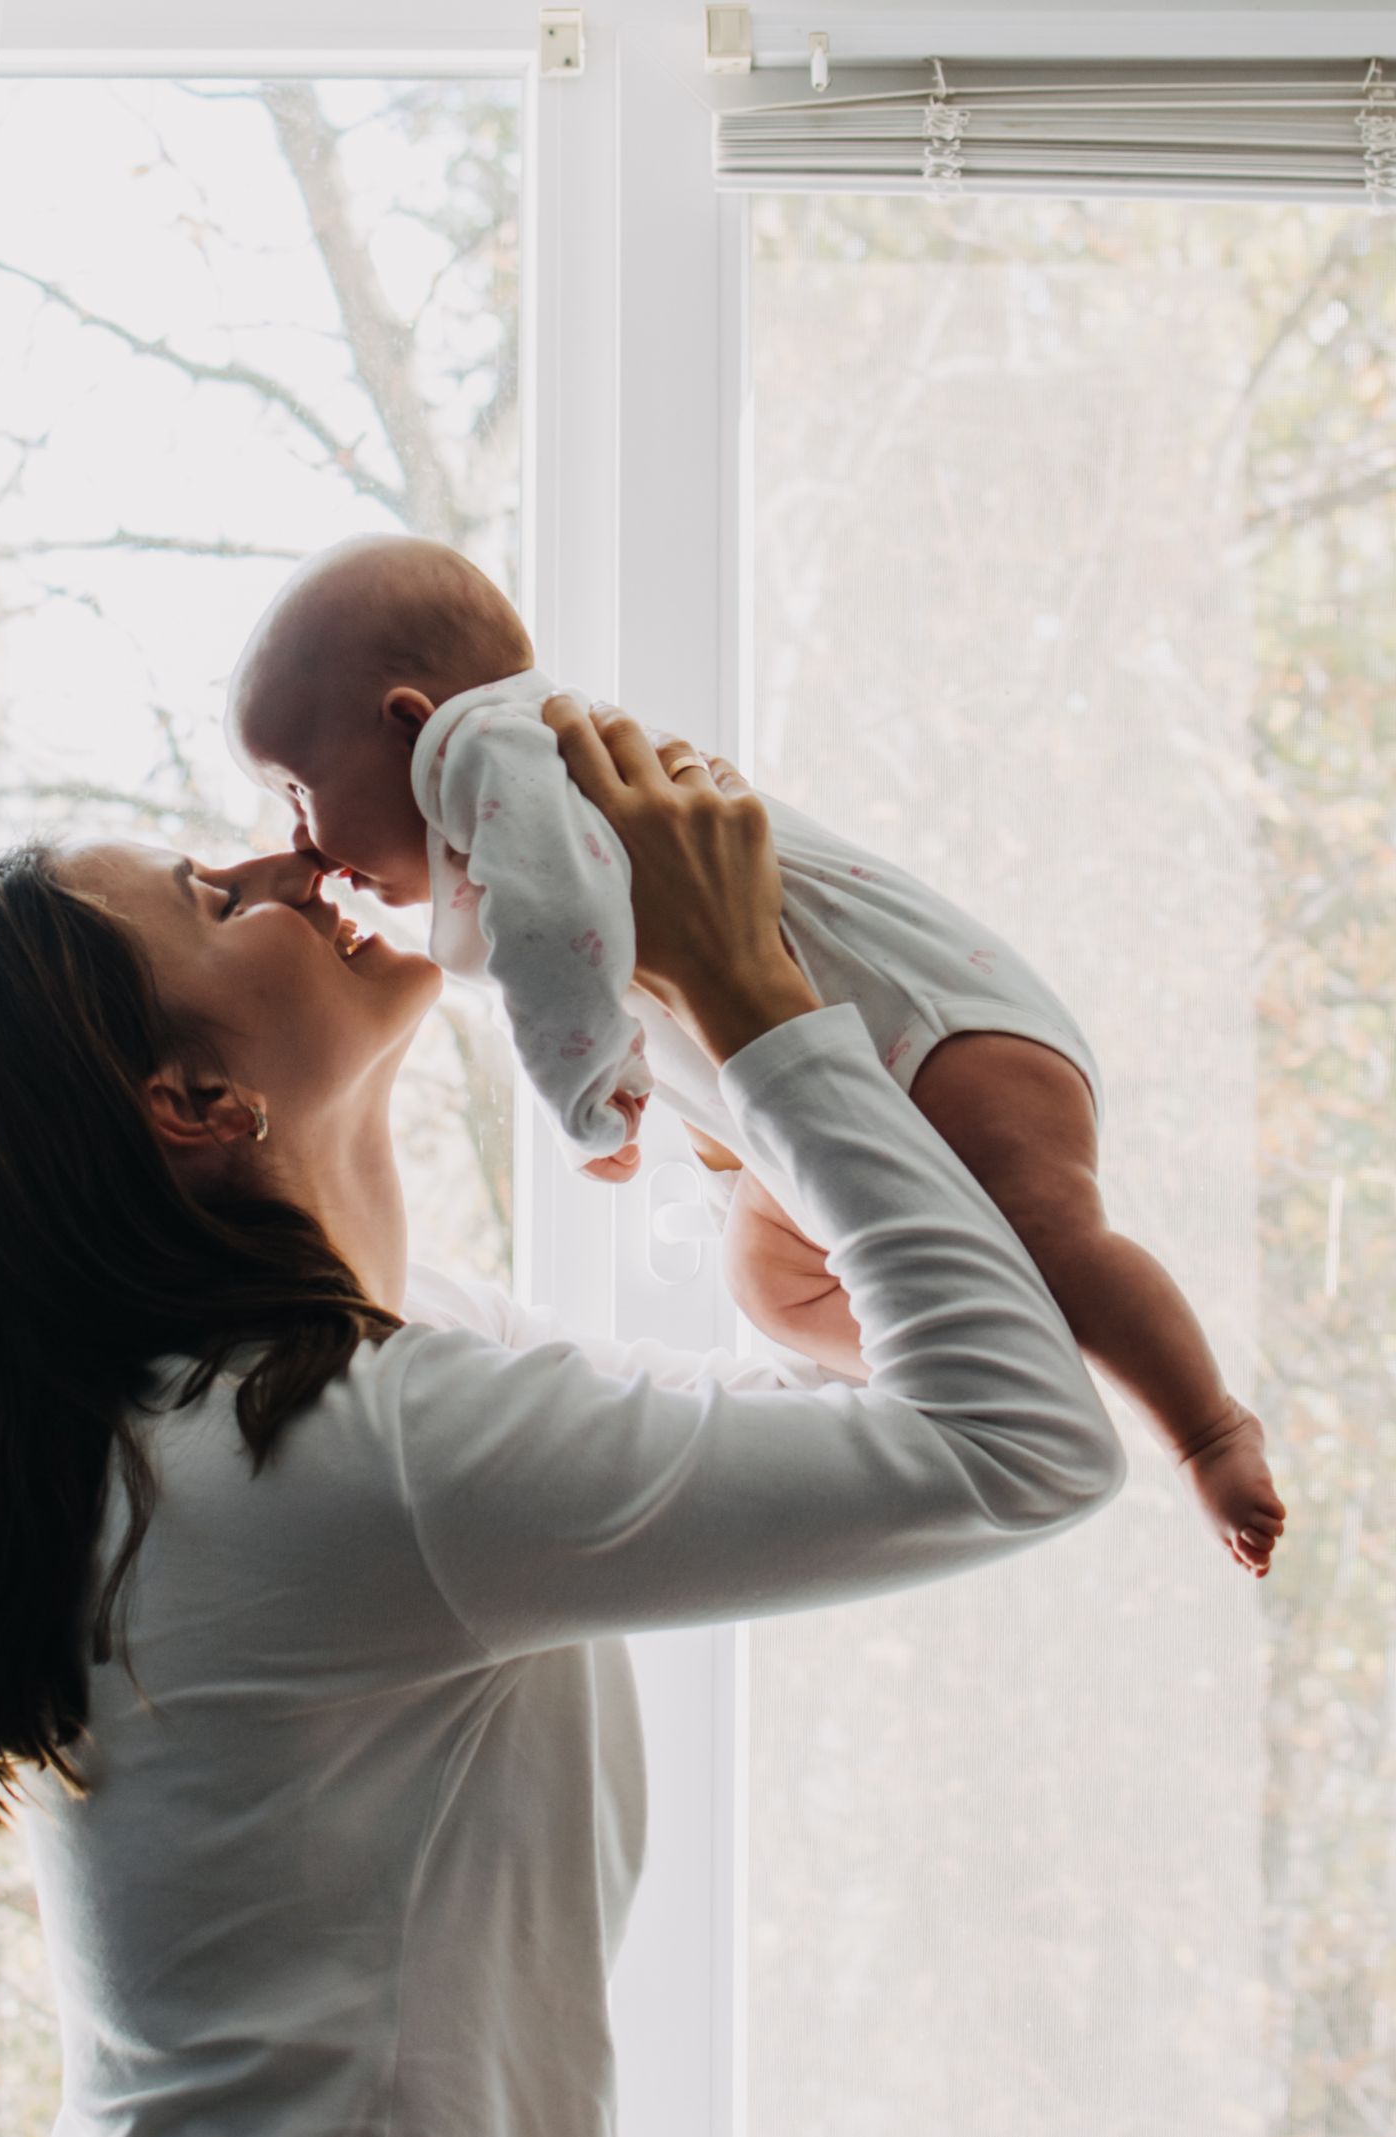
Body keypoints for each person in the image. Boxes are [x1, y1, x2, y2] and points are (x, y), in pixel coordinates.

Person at [0, 706, 1123, 2137]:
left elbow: (913, 1410)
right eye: (213, 900)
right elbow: (1019, 1442)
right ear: (196, 1101)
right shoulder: (332, 1451)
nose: (285, 861)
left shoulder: (322, 1393)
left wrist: (712, 1056)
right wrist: (746, 992)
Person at [225, 535, 1284, 1578]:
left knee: (1053, 1229)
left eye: (296, 790)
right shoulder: (499, 793)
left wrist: (587, 1095)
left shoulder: (499, 759)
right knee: (772, 1283)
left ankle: (1207, 1429)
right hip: (830, 1064)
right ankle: (1012, 1353)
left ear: (411, 723)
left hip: (926, 1026)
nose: (298, 845)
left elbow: (551, 948)